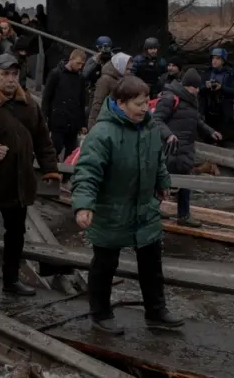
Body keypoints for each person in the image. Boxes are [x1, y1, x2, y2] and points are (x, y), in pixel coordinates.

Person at [71, 75, 183, 335]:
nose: (145, 108)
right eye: (139, 103)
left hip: (144, 207)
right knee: (105, 264)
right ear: (121, 103)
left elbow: (157, 159)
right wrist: (84, 206)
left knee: (152, 262)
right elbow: (87, 171)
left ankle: (156, 311)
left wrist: (162, 181)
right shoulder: (102, 133)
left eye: (146, 102)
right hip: (111, 208)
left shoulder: (150, 127)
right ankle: (100, 313)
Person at [0, 53, 60, 300]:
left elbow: (43, 140)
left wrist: (50, 169)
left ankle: (11, 280)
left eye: (14, 74)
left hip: (20, 183)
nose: (10, 79)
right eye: (5, 74)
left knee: (15, 235)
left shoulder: (29, 105)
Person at [153, 68, 222, 228]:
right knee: (163, 179)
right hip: (170, 147)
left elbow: (196, 120)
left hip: (185, 147)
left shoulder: (191, 101)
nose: (198, 91)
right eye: (196, 87)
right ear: (188, 86)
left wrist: (210, 131)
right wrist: (168, 135)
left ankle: (183, 215)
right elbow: (157, 120)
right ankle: (154, 209)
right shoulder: (170, 98)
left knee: (186, 181)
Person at [42, 49, 87, 160]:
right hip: (58, 119)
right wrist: (44, 117)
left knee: (71, 151)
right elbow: (47, 97)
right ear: (71, 59)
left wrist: (82, 123)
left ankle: (65, 175)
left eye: (82, 64)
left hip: (73, 122)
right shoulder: (56, 74)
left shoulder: (80, 79)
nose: (80, 66)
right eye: (78, 63)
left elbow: (81, 102)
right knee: (55, 147)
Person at [199, 48, 234, 136]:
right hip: (208, 109)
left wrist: (222, 88)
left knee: (221, 136)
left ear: (223, 60)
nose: (214, 61)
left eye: (218, 58)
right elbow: (199, 89)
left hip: (223, 111)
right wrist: (206, 86)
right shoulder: (208, 72)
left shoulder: (230, 73)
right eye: (213, 58)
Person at [88, 52, 132, 129]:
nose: (129, 72)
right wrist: (92, 126)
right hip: (104, 122)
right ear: (120, 66)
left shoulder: (123, 80)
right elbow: (97, 103)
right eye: (127, 69)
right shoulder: (105, 81)